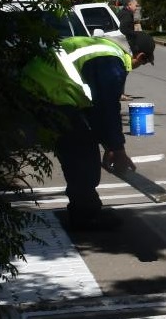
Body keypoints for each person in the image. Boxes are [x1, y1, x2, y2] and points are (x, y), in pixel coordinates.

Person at [21, 32, 155, 231]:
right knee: (83, 156)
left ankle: (83, 209)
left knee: (78, 150)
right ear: (140, 56)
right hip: (49, 96)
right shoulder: (111, 60)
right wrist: (118, 150)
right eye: (142, 63)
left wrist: (109, 145)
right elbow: (107, 108)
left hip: (36, 91)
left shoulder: (101, 48)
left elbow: (95, 109)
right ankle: (86, 216)